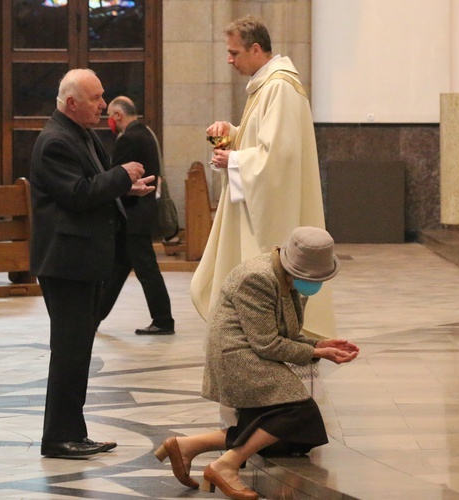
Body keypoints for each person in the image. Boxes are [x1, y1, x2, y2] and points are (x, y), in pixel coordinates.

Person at [157, 227, 359, 500]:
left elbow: (282, 334)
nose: (315, 283)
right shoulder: (257, 278)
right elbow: (266, 343)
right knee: (299, 412)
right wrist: (318, 354)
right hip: (237, 357)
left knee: (293, 438)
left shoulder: (291, 278)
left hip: (255, 352)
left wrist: (317, 346)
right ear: (294, 266)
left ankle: (187, 446)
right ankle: (225, 465)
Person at [30, 69, 155, 458]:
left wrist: (125, 187)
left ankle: (73, 432)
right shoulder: (55, 140)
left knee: (78, 348)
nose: (104, 105)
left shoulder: (78, 132)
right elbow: (78, 193)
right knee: (70, 349)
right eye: (96, 98)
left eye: (102, 97)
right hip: (66, 263)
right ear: (71, 103)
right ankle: (57, 438)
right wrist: (121, 174)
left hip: (81, 260)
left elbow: (93, 184)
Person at [190, 16, 336, 340]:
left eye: (234, 53)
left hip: (270, 213)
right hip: (256, 198)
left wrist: (236, 159)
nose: (229, 60)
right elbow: (264, 141)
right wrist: (232, 134)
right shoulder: (267, 86)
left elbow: (280, 157)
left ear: (255, 49)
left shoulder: (280, 87)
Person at [98, 96, 175, 335]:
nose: (109, 122)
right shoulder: (145, 133)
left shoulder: (129, 138)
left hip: (133, 216)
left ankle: (163, 320)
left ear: (118, 116)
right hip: (139, 215)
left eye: (110, 116)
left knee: (146, 270)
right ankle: (94, 316)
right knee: (118, 268)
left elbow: (116, 176)